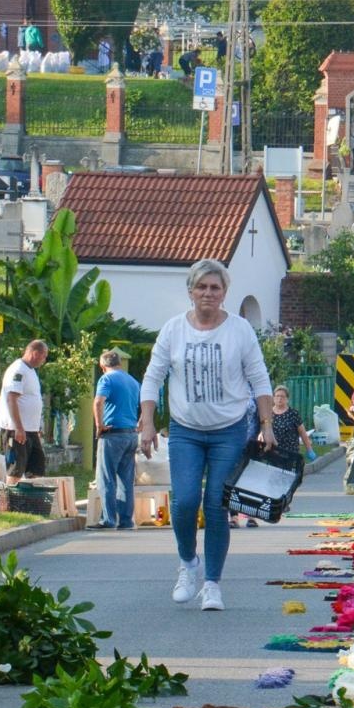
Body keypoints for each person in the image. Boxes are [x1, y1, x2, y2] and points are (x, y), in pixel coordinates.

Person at [139, 259, 274, 612]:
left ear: (224, 293)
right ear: (191, 291)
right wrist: (148, 422)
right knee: (184, 502)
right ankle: (188, 563)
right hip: (186, 431)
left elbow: (259, 378)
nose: (208, 294)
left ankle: (212, 583)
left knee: (217, 504)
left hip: (228, 432)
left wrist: (266, 424)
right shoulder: (173, 330)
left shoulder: (240, 330)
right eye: (202, 287)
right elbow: (153, 376)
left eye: (215, 288)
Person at [87, 348, 141, 531]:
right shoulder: (133, 381)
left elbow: (98, 401)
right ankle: (126, 521)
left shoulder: (106, 379)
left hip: (113, 434)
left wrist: (99, 425)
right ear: (119, 363)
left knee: (106, 477)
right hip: (131, 434)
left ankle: (108, 519)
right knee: (126, 479)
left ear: (102, 366)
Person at [0, 341, 48, 485]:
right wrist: (18, 427)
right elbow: (11, 398)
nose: (44, 361)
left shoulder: (30, 371)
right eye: (44, 357)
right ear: (35, 353)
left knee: (36, 466)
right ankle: (7, 503)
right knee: (16, 468)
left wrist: (37, 427)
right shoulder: (18, 370)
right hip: (16, 429)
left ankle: (31, 502)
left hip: (30, 429)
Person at [271, 384, 318, 462]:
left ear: (287, 399)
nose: (279, 399)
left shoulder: (293, 414)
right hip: (273, 453)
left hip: (290, 453)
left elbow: (303, 433)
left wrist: (309, 450)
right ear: (273, 398)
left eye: (282, 396)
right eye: (277, 396)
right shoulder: (269, 414)